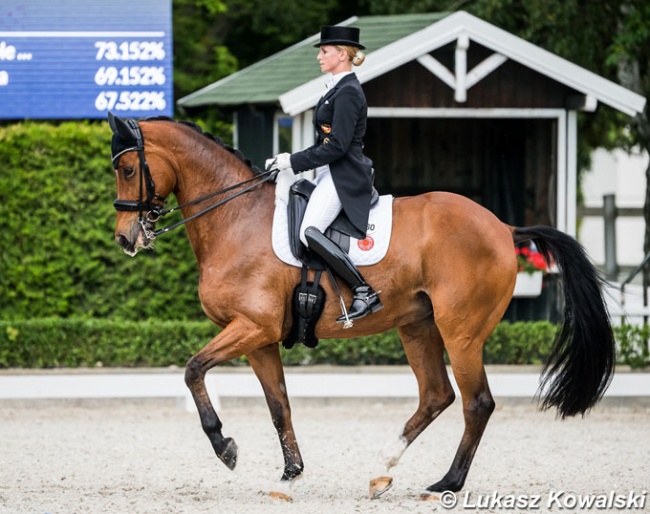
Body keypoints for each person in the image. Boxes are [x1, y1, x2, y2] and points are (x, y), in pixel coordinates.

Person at [267, 25, 382, 323]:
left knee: (309, 230)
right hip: (330, 173)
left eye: (324, 51)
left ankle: (363, 290)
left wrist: (292, 161)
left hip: (345, 176)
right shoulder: (335, 88)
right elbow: (323, 145)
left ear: (342, 54)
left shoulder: (348, 93)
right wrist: (289, 164)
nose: (319, 56)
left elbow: (338, 147)